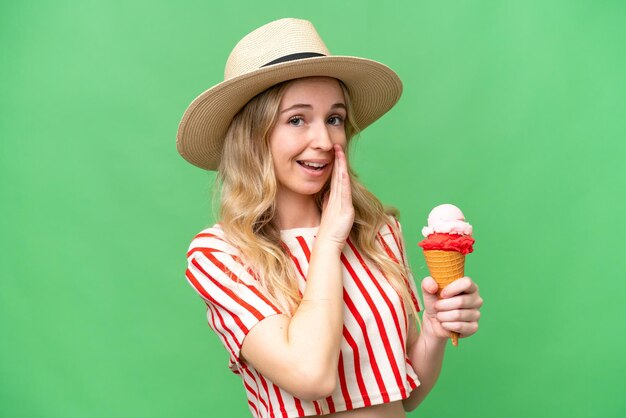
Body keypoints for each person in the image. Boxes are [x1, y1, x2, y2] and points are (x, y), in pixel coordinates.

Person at [177, 18, 483, 418]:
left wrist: (434, 332)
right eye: (297, 119)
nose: (324, 141)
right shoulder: (220, 254)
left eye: (334, 118)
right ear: (253, 136)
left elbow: (401, 394)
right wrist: (329, 241)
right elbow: (312, 377)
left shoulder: (377, 232)